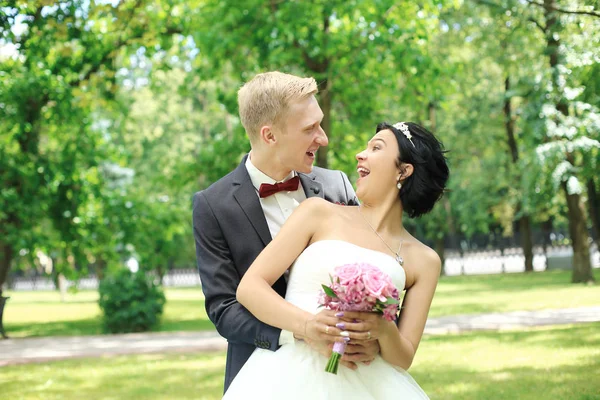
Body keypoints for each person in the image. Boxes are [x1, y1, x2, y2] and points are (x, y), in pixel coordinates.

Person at [224, 121, 450, 399]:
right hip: (286, 375)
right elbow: (250, 288)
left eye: (376, 148)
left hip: (369, 382)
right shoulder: (317, 213)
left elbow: (403, 357)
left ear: (403, 171)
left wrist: (382, 330)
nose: (360, 155)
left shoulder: (425, 260)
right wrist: (307, 327)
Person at [192, 71, 378, 393]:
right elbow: (224, 310)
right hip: (260, 377)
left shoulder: (337, 186)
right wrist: (301, 332)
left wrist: (375, 336)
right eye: (309, 129)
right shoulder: (212, 205)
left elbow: (375, 273)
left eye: (320, 124)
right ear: (270, 136)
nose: (323, 138)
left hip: (347, 376)